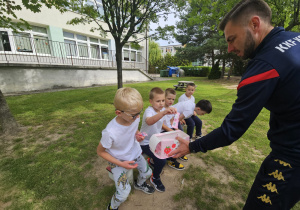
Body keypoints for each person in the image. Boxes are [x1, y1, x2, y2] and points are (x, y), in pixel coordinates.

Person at [170, 0, 300, 209]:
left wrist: (192, 146)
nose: (229, 48)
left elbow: (231, 130)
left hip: (292, 157)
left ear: (255, 24)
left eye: (232, 39)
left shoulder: (264, 67)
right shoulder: (296, 39)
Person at [97, 87, 154, 210]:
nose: (138, 117)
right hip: (117, 161)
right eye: (134, 115)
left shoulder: (133, 117)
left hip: (135, 153)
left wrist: (137, 134)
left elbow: (133, 128)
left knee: (148, 172)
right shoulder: (110, 132)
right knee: (123, 193)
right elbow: (100, 151)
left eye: (140, 112)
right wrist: (121, 163)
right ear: (118, 113)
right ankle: (112, 206)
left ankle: (139, 184)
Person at [139, 87, 177, 192]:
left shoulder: (161, 110)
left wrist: (171, 128)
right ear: (151, 101)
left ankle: (152, 160)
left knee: (170, 149)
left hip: (155, 140)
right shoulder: (149, 111)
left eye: (163, 100)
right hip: (145, 142)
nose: (161, 103)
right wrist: (163, 113)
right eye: (158, 101)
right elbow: (150, 121)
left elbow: (162, 125)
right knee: (162, 159)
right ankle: (155, 177)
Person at [161, 88, 186, 170]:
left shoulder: (172, 108)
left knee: (182, 136)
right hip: (162, 130)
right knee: (174, 140)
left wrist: (176, 129)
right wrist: (171, 131)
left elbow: (173, 121)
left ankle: (178, 154)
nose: (171, 101)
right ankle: (172, 160)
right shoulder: (161, 109)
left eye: (173, 99)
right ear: (163, 98)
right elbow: (161, 125)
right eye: (169, 98)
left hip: (169, 128)